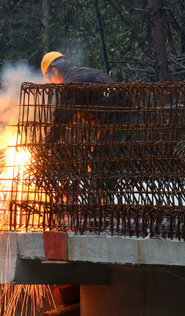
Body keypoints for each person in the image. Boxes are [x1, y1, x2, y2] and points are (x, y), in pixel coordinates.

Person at [38, 52, 131, 211]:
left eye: (48, 79)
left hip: (116, 119)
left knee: (97, 163)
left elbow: (62, 118)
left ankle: (94, 208)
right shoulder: (88, 72)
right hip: (126, 115)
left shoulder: (72, 82)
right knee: (109, 162)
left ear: (53, 71)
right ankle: (104, 204)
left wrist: (46, 144)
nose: (51, 83)